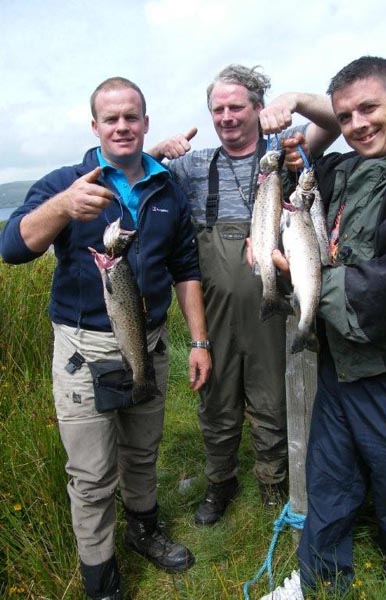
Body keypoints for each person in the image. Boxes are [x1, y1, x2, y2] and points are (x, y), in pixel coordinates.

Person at [0, 77, 212, 600]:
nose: (122, 126)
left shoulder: (166, 188)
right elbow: (12, 247)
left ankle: (143, 530)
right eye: (111, 118)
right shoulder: (65, 182)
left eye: (131, 117)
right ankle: (101, 578)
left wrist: (201, 341)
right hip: (84, 351)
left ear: (145, 122)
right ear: (94, 126)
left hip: (151, 342)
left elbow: (186, 267)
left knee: (143, 453)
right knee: (93, 475)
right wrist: (63, 208)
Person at [251, 56, 386, 600]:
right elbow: (307, 184)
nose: (358, 124)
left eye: (371, 108)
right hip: (340, 361)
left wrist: (303, 281)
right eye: (346, 116)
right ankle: (318, 573)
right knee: (330, 474)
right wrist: (293, 106)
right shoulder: (347, 168)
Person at [149, 64, 340, 525]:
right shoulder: (193, 166)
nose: (227, 116)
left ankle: (274, 482)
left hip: (270, 304)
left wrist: (293, 99)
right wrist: (158, 150)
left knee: (272, 398)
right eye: (218, 108)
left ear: (259, 108)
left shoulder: (289, 147)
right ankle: (221, 482)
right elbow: (132, 173)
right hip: (212, 306)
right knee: (215, 399)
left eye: (237, 106)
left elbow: (335, 119)